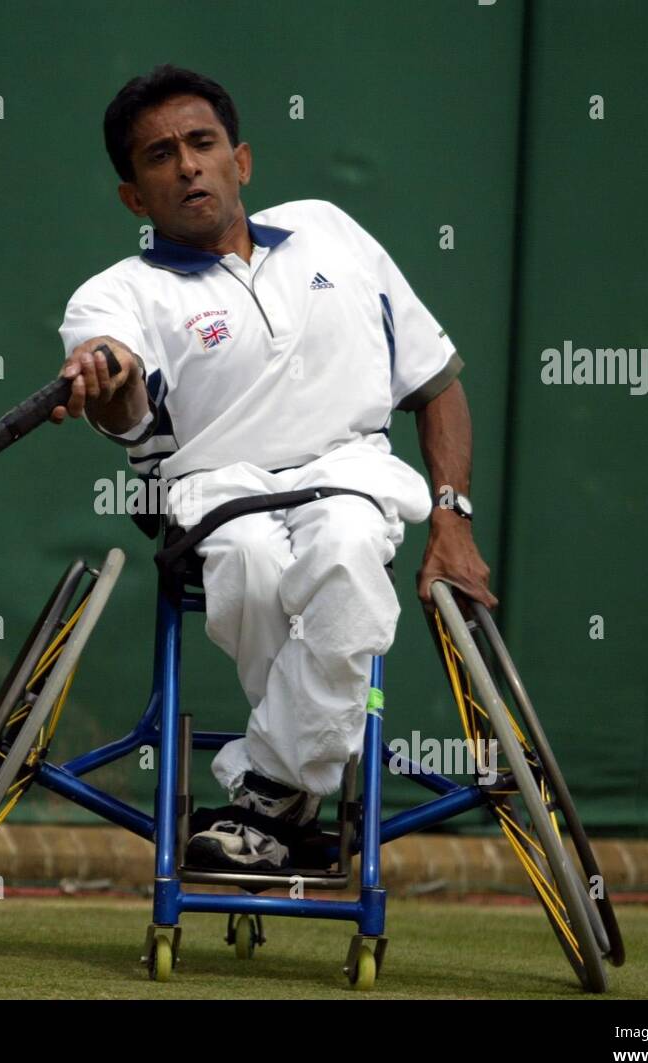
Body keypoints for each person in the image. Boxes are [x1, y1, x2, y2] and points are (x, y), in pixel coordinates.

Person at [50, 64, 497, 872]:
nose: (187, 165)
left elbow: (437, 386)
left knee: (348, 552)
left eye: (202, 143)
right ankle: (296, 789)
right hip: (218, 492)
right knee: (255, 565)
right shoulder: (111, 297)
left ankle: (267, 797)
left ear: (241, 160)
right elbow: (121, 401)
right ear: (133, 197)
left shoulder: (332, 230)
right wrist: (106, 372)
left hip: (350, 475)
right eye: (159, 156)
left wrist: (454, 521)